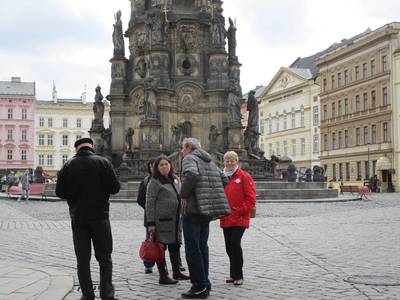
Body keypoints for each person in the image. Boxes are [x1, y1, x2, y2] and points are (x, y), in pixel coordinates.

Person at [56, 138, 120, 300]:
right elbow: (115, 188)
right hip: (101, 217)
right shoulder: (103, 163)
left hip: (79, 218)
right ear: (92, 147)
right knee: (105, 257)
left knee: (83, 259)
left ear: (76, 149)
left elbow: (60, 193)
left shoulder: (68, 165)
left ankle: (87, 295)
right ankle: (107, 294)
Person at [180, 138, 229, 299]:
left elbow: (192, 175)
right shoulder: (209, 160)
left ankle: (199, 286)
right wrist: (209, 194)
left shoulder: (189, 158)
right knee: (202, 248)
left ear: (188, 147)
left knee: (193, 250)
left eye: (182, 148)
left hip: (193, 210)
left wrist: (183, 193)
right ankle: (205, 283)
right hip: (206, 211)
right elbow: (224, 179)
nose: (181, 151)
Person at [145, 156, 190, 285]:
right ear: (156, 168)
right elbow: (149, 203)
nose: (164, 166)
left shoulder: (175, 179)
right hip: (161, 221)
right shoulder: (154, 181)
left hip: (176, 220)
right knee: (161, 248)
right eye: (161, 165)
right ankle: (163, 275)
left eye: (166, 164)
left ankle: (176, 272)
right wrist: (151, 223)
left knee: (175, 245)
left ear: (170, 165)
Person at [220, 151, 256, 286]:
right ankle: (233, 274)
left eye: (232, 160)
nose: (229, 163)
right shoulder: (222, 177)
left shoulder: (244, 176)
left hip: (240, 217)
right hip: (226, 217)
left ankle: (239, 275)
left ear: (237, 162)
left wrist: (240, 211)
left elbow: (251, 198)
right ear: (224, 162)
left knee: (235, 244)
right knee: (229, 247)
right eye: (227, 161)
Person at [137, 158, 157, 274]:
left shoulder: (167, 180)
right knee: (150, 239)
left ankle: (174, 264)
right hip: (150, 217)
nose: (153, 168)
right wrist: (149, 208)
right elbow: (140, 199)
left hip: (166, 217)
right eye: (151, 166)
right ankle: (148, 264)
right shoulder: (145, 181)